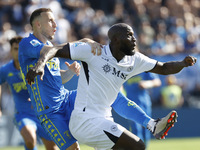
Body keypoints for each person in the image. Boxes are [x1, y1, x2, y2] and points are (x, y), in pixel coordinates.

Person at [19, 8, 180, 150]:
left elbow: (54, 79)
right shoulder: (28, 43)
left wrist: (68, 73)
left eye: (55, 20)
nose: (55, 24)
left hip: (66, 98)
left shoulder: (49, 50)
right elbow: (51, 50)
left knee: (111, 94)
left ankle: (152, 124)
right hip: (50, 111)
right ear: (38, 24)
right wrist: (83, 42)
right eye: (50, 20)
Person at [0, 36, 59, 150]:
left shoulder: (35, 65)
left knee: (53, 148)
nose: (18, 52)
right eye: (15, 49)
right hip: (23, 114)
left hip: (43, 113)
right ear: (11, 51)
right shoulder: (6, 70)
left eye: (20, 49)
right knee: (30, 140)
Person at [122, 71, 161, 147]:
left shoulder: (143, 68)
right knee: (135, 129)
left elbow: (157, 81)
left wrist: (147, 84)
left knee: (146, 128)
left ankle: (144, 147)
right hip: (130, 105)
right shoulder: (125, 70)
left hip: (144, 104)